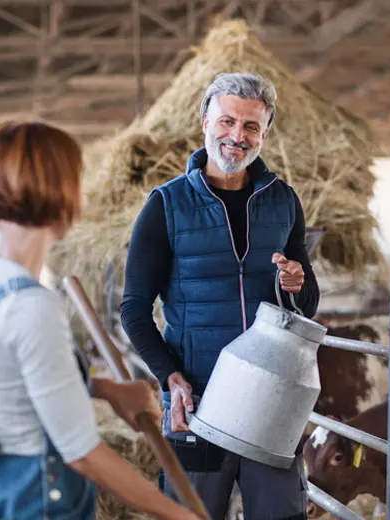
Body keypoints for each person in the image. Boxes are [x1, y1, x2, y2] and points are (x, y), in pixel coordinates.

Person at [0, 122, 201, 520]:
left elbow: (14, 382)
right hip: (37, 504)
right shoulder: (30, 307)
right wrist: (179, 514)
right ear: (60, 188)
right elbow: (85, 455)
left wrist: (105, 390)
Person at [121, 73, 320, 520]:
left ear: (265, 133)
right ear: (205, 121)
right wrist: (170, 378)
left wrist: (296, 283)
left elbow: (306, 303)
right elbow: (134, 309)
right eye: (227, 121)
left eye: (251, 126)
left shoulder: (283, 201)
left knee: (281, 514)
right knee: (191, 514)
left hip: (272, 401)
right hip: (198, 399)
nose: (237, 136)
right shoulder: (165, 206)